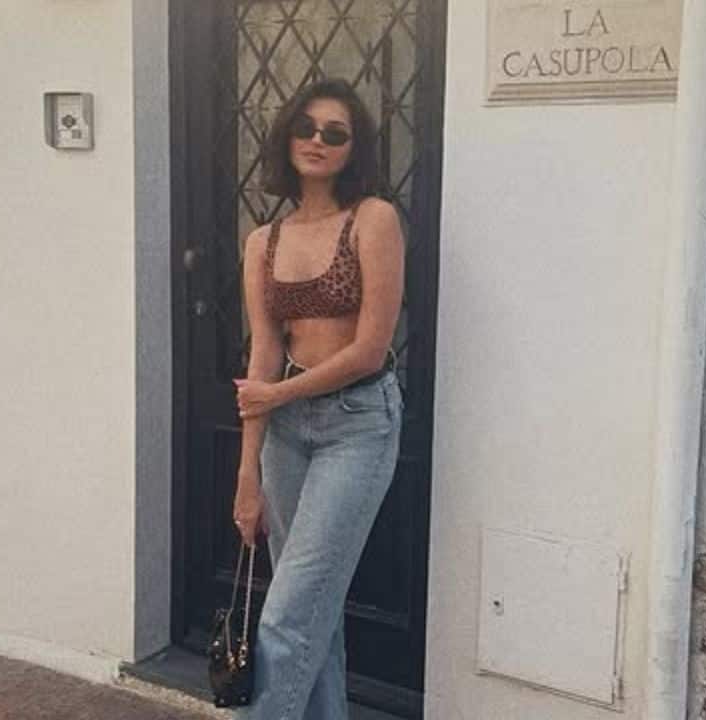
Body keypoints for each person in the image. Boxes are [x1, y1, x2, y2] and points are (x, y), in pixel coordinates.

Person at [231, 78, 405, 720]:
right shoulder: (263, 242)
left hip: (358, 424)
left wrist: (277, 391)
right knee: (315, 617)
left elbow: (368, 348)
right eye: (307, 127)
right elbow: (262, 356)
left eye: (335, 133)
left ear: (352, 149)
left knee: (286, 616)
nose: (317, 141)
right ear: (288, 136)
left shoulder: (373, 220)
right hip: (283, 434)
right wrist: (247, 474)